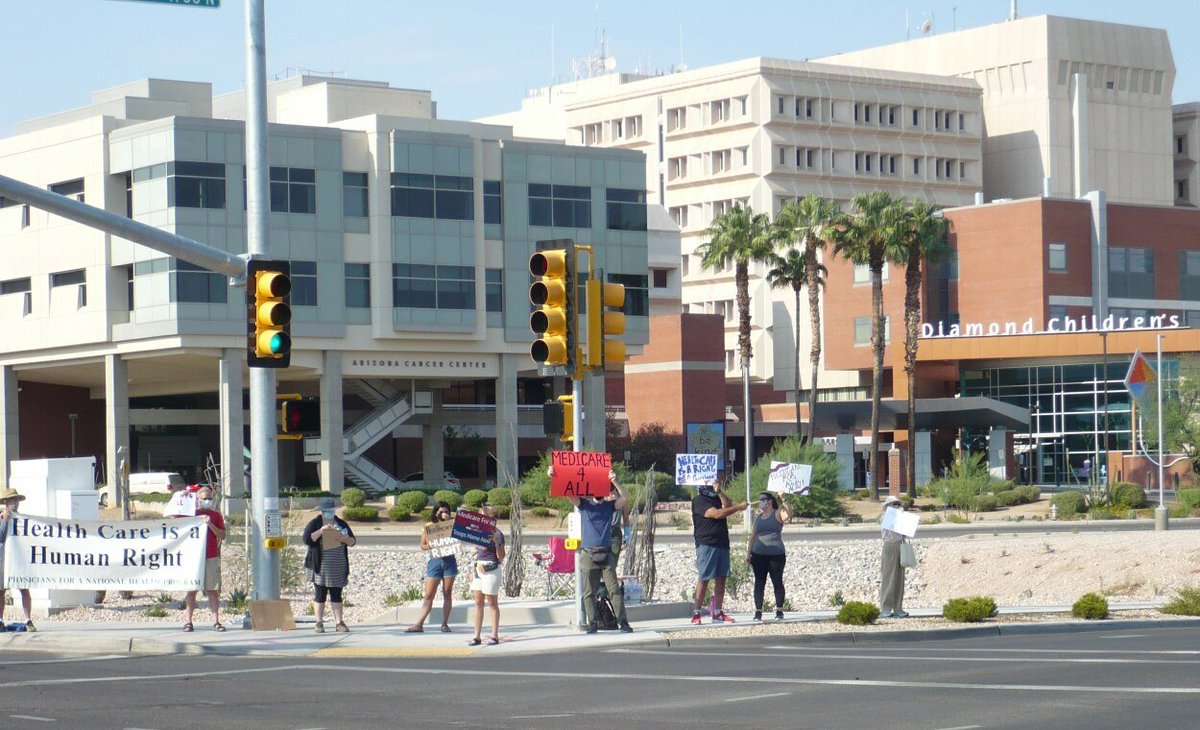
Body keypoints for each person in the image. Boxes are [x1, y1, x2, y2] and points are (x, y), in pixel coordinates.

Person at [551, 466, 633, 634]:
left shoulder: (610, 506)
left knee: (614, 590)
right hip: (588, 553)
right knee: (589, 592)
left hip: (607, 553)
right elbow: (567, 493)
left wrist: (614, 480)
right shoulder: (585, 505)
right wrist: (554, 476)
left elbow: (625, 497)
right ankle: (593, 623)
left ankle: (623, 622)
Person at [691, 479, 748, 624]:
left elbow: (727, 505)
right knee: (704, 577)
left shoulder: (716, 497)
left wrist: (720, 492)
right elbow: (717, 514)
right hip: (707, 543)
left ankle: (717, 612)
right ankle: (696, 613)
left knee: (721, 577)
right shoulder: (699, 501)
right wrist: (738, 507)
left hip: (722, 542)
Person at [302, 498, 357, 633]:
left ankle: (339, 622)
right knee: (320, 594)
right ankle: (319, 622)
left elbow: (353, 541)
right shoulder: (315, 523)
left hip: (338, 565)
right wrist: (321, 531)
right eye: (326, 511)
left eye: (331, 511)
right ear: (321, 511)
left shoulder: (341, 524)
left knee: (336, 594)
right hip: (320, 565)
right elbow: (307, 539)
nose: (329, 513)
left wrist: (343, 538)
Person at [405, 501, 457, 633]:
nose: (444, 514)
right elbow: (422, 544)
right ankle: (419, 623)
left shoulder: (452, 525)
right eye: (441, 512)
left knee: (447, 593)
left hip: (449, 560)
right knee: (428, 595)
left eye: (446, 511)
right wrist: (428, 546)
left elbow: (461, 533)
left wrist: (448, 521)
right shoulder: (429, 526)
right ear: (435, 513)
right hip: (435, 560)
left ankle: (445, 624)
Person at [183, 485, 227, 632]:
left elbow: (222, 536)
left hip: (211, 556)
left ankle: (216, 621)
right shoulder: (190, 514)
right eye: (204, 498)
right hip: (193, 557)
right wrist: (182, 497)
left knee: (212, 590)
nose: (208, 501)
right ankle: (188, 621)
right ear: (198, 500)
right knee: (191, 590)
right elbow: (175, 522)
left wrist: (210, 525)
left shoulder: (216, 516)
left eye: (210, 498)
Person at [746, 491, 791, 621]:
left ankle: (779, 611)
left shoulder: (777, 513)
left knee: (777, 581)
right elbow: (753, 536)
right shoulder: (759, 517)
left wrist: (784, 498)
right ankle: (758, 612)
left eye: (763, 500)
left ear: (769, 501)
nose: (761, 502)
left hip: (776, 554)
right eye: (760, 500)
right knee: (759, 583)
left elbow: (788, 514)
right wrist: (749, 553)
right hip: (758, 555)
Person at [468, 506, 505, 646]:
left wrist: (497, 543)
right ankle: (476, 636)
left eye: (482, 516)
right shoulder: (478, 532)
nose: (480, 519)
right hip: (478, 567)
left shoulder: (497, 533)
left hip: (491, 568)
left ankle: (494, 635)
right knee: (478, 603)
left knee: (492, 602)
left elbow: (501, 557)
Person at [0, 487, 35, 632]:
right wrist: (5, 521)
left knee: (24, 589)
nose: (15, 503)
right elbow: (1, 537)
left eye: (16, 500)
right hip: (4, 559)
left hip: (19, 559)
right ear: (7, 502)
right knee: (1, 591)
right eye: (12, 500)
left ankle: (28, 619)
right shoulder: (1, 517)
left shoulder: (22, 519)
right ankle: (0, 620)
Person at [879, 495, 910, 619]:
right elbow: (890, 529)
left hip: (900, 545)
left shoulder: (900, 518)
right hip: (890, 546)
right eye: (894, 504)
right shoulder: (885, 517)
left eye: (898, 504)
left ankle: (898, 607)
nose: (896, 506)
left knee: (899, 578)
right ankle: (885, 607)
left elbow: (906, 533)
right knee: (889, 576)